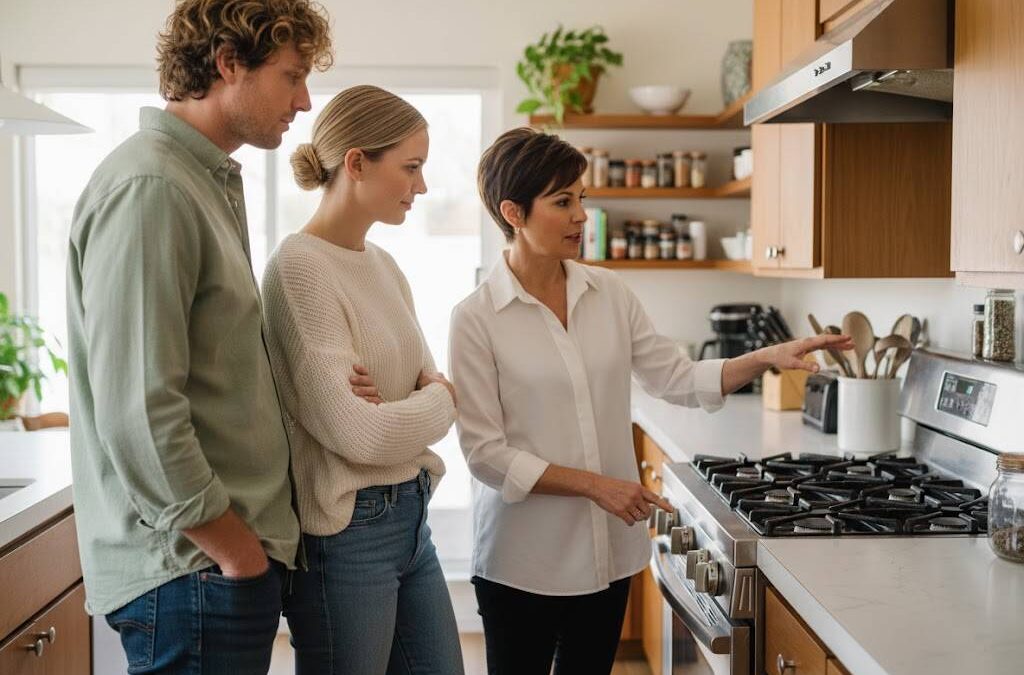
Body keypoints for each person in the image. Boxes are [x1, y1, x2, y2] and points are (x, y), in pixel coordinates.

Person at [448, 127, 854, 675]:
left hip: (608, 558)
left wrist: (765, 357)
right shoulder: (475, 318)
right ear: (513, 212)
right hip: (522, 563)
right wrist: (597, 487)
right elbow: (485, 454)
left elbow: (678, 377)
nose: (580, 216)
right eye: (563, 202)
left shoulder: (608, 293)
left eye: (582, 199)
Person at [65, 1, 332, 672]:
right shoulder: (152, 186)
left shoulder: (197, 178)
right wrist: (235, 551)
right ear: (227, 63)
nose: (304, 100)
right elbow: (140, 410)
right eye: (291, 76)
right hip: (195, 570)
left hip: (211, 568)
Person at [261, 84, 465, 675]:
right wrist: (437, 401)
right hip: (348, 533)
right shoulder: (298, 268)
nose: (421, 187)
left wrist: (419, 397)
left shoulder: (383, 264)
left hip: (411, 519)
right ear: (356, 163)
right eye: (411, 167)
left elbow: (428, 377)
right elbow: (363, 435)